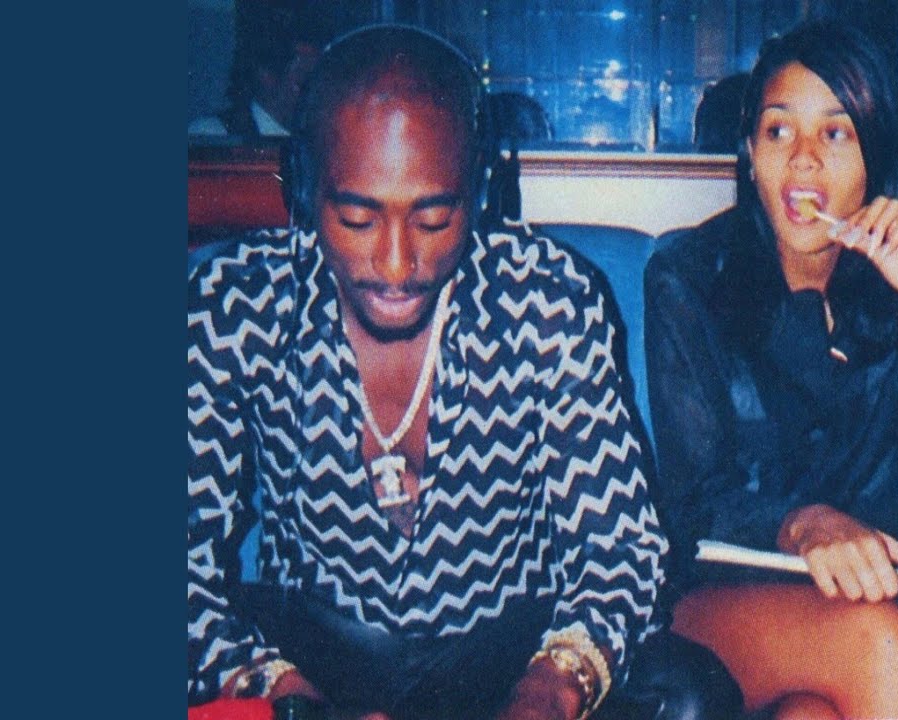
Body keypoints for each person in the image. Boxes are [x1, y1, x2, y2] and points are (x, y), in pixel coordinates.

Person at [188, 24, 739, 720]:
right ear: (303, 191)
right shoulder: (236, 302)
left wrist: (549, 694)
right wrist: (286, 697)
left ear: (480, 192)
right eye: (357, 218)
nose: (396, 263)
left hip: (510, 658)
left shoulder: (549, 297)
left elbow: (621, 550)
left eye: (434, 218)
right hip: (308, 659)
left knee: (688, 696)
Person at [644, 21, 898, 720]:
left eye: (836, 133)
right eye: (778, 130)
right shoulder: (689, 277)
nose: (803, 160)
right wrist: (803, 523)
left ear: (876, 154)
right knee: (880, 644)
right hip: (715, 596)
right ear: (751, 152)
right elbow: (694, 502)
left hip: (861, 593)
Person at [187, 2, 323, 139]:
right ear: (267, 77)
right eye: (305, 83)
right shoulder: (212, 134)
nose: (317, 94)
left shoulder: (320, 140)